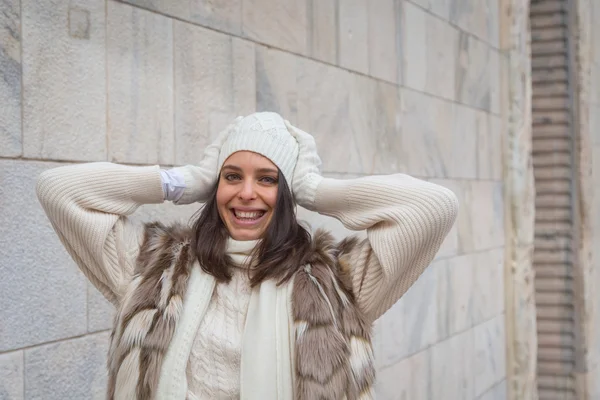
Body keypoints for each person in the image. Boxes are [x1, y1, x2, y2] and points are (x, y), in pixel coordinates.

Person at [36, 112, 458, 400]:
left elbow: (432, 208)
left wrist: (311, 188)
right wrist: (187, 180)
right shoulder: (156, 267)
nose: (246, 193)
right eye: (232, 177)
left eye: (268, 180)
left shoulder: (335, 282)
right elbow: (59, 189)